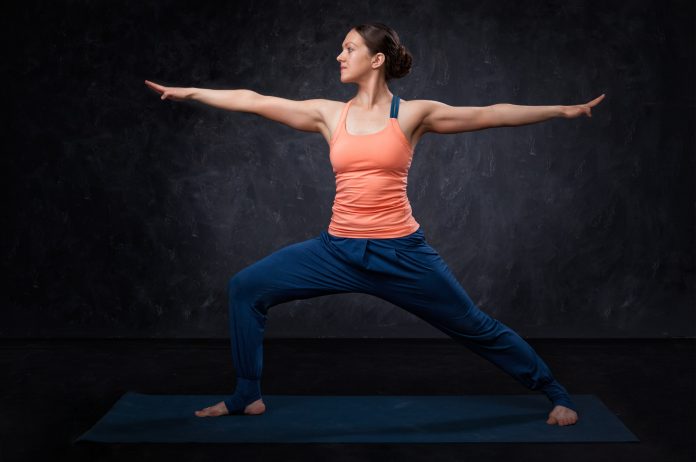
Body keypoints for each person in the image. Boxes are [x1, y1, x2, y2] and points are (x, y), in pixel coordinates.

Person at [145, 22, 604, 427]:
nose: (339, 56)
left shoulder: (412, 114)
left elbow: (490, 113)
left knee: (475, 326)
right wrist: (190, 93)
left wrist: (563, 110)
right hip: (335, 251)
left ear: (376, 58)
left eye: (348, 48)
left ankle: (555, 393)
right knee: (246, 289)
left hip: (401, 253)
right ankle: (247, 395)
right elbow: (256, 100)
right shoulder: (330, 114)